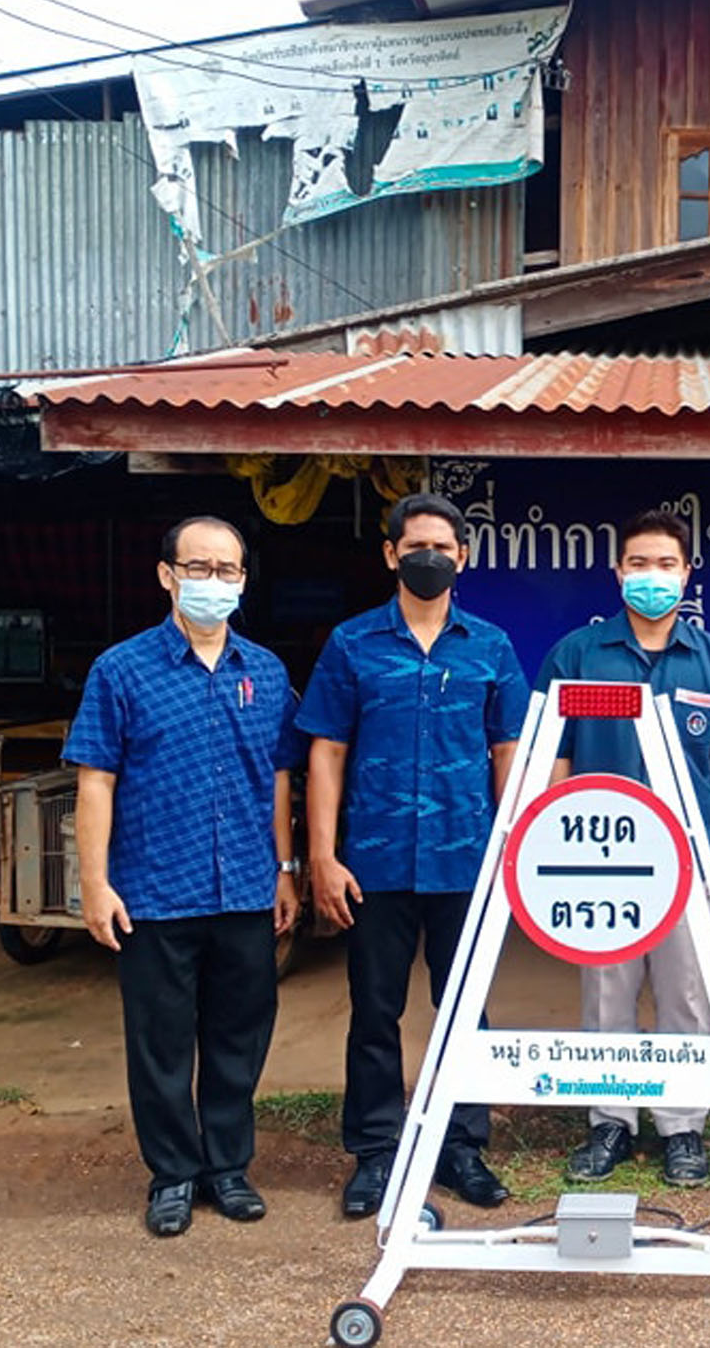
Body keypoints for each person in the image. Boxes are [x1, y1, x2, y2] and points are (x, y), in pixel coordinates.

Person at [63, 516, 300, 1238]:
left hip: (246, 890)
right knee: (162, 1042)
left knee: (239, 1035)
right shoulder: (122, 670)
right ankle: (172, 1174)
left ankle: (227, 1166)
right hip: (157, 891)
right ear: (167, 575)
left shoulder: (265, 671)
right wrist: (95, 883)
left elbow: (280, 778)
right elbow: (96, 781)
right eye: (199, 568)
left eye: (228, 571)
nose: (214, 583)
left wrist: (286, 868)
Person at [296, 492, 529, 1216]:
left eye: (443, 546)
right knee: (375, 1009)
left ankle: (461, 1146)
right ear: (391, 554)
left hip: (467, 862)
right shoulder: (352, 643)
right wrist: (322, 856)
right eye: (415, 546)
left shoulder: (489, 645)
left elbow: (508, 752)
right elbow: (326, 750)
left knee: (465, 1009)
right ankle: (376, 1151)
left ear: (464, 556)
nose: (430, 557)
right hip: (376, 862)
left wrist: (510, 853)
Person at [535, 508, 710, 1186]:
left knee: (686, 995)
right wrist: (555, 843)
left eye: (665, 565)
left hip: (689, 860)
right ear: (618, 573)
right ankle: (610, 1120)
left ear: (687, 574)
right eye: (638, 564)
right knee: (607, 992)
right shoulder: (578, 655)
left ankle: (681, 1126)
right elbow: (554, 756)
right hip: (600, 860)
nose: (651, 577)